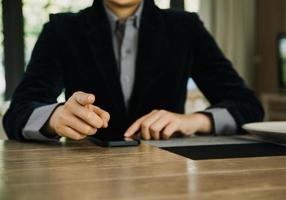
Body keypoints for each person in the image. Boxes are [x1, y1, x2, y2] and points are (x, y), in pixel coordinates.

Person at [3, 0, 264, 142]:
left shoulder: (185, 28)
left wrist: (192, 121)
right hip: (84, 177)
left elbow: (248, 106)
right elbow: (18, 112)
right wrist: (54, 117)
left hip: (165, 175)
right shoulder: (61, 29)